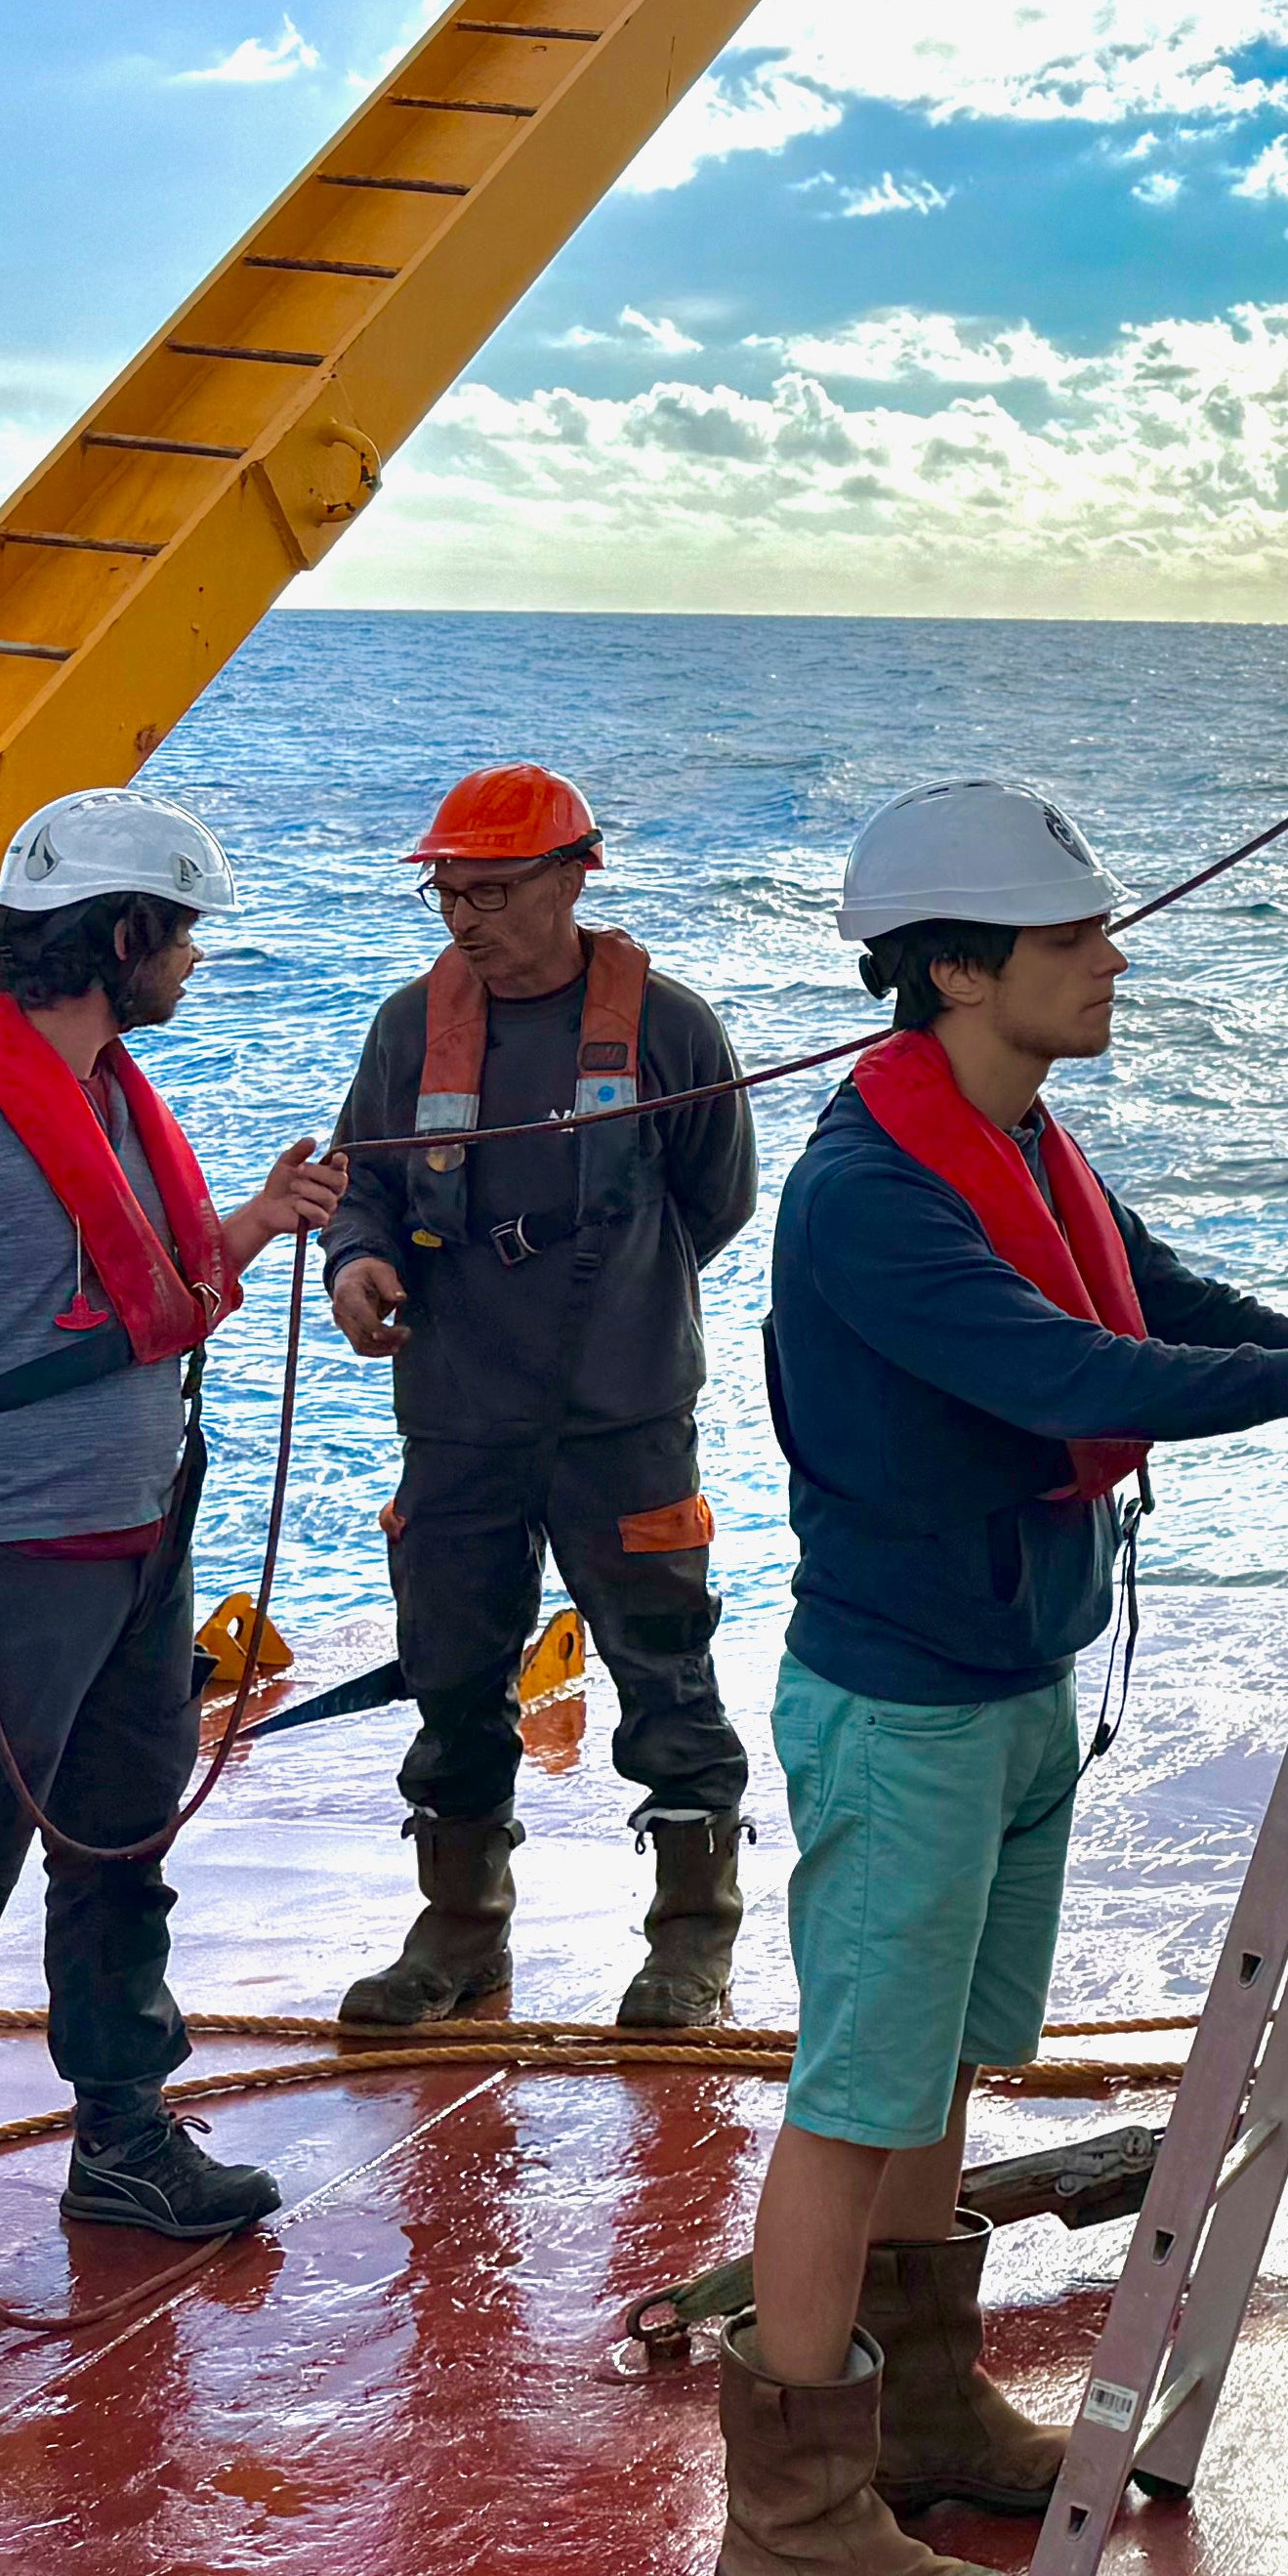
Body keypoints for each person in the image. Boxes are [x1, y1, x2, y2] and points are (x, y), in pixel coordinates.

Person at [710, 779, 1288, 2576]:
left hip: (1002, 1682)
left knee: (935, 2075)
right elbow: (1058, 1365)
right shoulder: (867, 1204)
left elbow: (1137, 1291)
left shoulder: (1017, 1144)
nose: (1110, 960)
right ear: (962, 971)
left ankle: (912, 2402)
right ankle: (791, 2527)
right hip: (903, 1707)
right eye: (1072, 940)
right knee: (851, 2099)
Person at [0, 785, 347, 2363]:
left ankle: (123, 2139)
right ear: (118, 937)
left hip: (135, 1540)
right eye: (177, 932)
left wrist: (252, 1222)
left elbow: (124, 1296)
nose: (191, 961)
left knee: (121, 1838)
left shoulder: (108, 1098)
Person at [316, 764, 763, 2035]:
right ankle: (459, 1931)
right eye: (449, 896)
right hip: (457, 1415)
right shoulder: (411, 1029)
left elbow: (712, 1201)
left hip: (624, 1420)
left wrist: (610, 1303)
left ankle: (691, 1939)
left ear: (574, 879)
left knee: (661, 1668)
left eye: (494, 892)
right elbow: (365, 1183)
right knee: (452, 1670)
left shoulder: (670, 1029)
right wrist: (358, 1262)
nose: (466, 919)